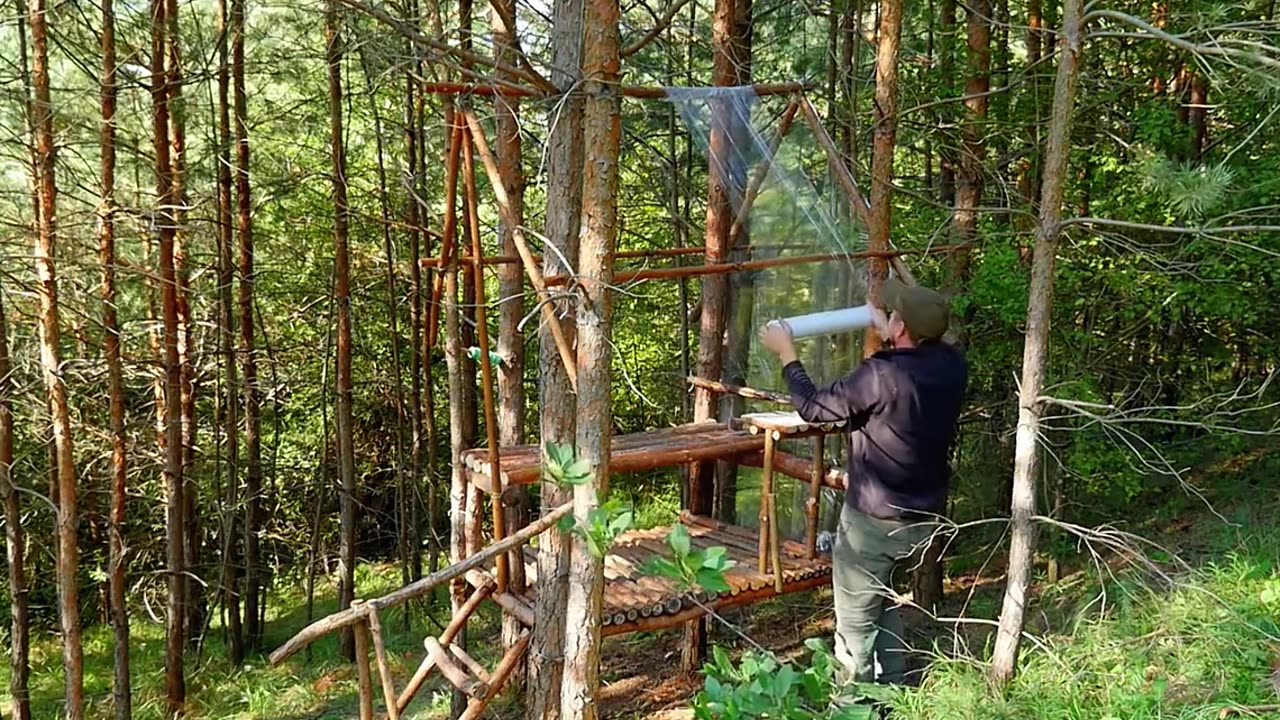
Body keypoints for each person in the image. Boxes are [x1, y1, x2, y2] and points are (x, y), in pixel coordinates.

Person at [758, 277, 968, 687]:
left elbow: (814, 408)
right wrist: (890, 327)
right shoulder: (952, 364)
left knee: (853, 632)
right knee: (882, 602)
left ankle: (854, 706)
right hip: (923, 518)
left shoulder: (881, 374)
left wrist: (787, 354)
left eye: (893, 314)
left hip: (875, 522)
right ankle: (893, 695)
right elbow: (913, 366)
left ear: (902, 328)